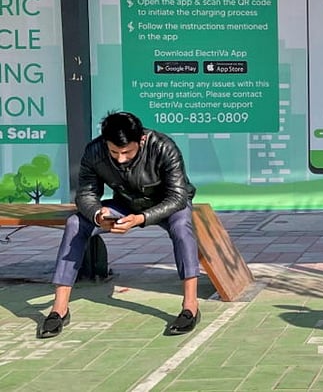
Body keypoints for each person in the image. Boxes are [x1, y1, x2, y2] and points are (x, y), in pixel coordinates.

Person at [39, 111, 201, 338]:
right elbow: (85, 194)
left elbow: (178, 197)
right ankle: (59, 309)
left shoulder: (164, 147)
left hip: (167, 204)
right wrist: (98, 215)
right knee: (75, 223)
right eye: (114, 152)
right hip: (125, 204)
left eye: (127, 152)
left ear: (141, 139)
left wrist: (140, 218)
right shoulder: (94, 151)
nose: (121, 159)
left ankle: (190, 306)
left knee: (182, 227)